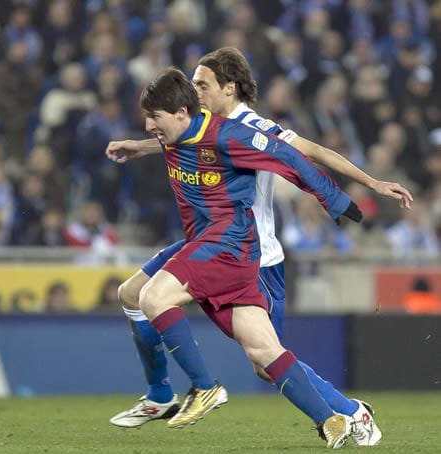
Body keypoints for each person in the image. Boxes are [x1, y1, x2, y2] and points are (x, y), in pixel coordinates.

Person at [107, 49, 410, 446]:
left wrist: (370, 184)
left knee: (265, 359)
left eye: (203, 85)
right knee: (133, 294)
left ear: (228, 88)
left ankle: (350, 411)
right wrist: (138, 145)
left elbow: (311, 153)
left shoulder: (250, 125)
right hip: (208, 237)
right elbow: (179, 137)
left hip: (254, 254)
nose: (195, 92)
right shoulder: (198, 124)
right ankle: (160, 394)